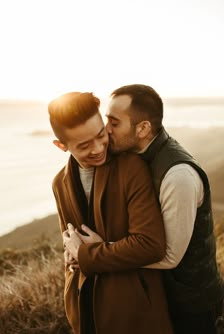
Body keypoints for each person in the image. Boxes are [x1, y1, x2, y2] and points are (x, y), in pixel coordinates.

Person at [81, 84, 224, 334]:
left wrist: (99, 251)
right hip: (161, 297)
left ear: (143, 128)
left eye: (114, 123)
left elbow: (169, 256)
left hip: (191, 306)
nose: (106, 130)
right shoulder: (135, 154)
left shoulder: (178, 176)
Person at [48, 92, 174, 334]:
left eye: (100, 135)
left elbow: (150, 245)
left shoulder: (131, 168)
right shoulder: (59, 183)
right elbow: (71, 246)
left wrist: (88, 254)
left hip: (134, 312)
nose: (98, 148)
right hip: (85, 312)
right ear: (61, 146)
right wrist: (72, 259)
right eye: (84, 145)